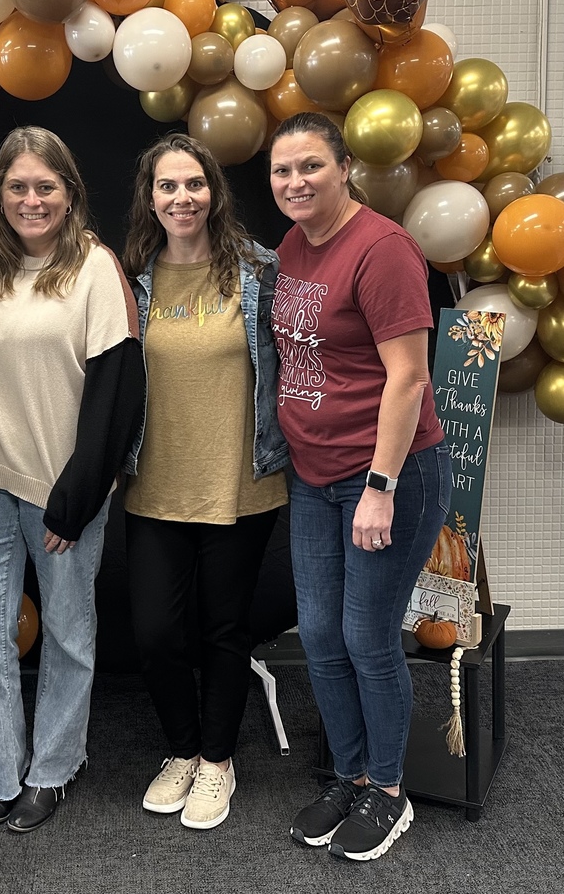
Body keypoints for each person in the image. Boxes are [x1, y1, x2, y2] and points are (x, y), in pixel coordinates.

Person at [268, 112, 451, 861]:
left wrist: (380, 485)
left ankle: (388, 791)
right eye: (282, 171)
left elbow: (408, 376)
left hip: (387, 477)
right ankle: (346, 776)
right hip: (314, 478)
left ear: (344, 167)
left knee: (366, 638)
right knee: (317, 636)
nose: (295, 182)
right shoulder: (291, 245)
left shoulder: (384, 250)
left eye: (310, 166)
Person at [0, 126, 143, 834]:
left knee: (66, 632)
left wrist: (80, 493)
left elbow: (119, 389)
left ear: (69, 194)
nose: (32, 200)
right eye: (17, 187)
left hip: (66, 489)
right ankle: (3, 771)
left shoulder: (94, 266)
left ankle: (55, 768)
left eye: (46, 187)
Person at [120, 133, 289, 830]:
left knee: (224, 630)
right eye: (168, 186)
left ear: (214, 192)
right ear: (150, 197)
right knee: (156, 634)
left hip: (240, 483)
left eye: (194, 184)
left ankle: (217, 761)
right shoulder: (130, 279)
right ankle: (182, 751)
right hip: (154, 484)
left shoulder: (261, 270)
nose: (182, 197)